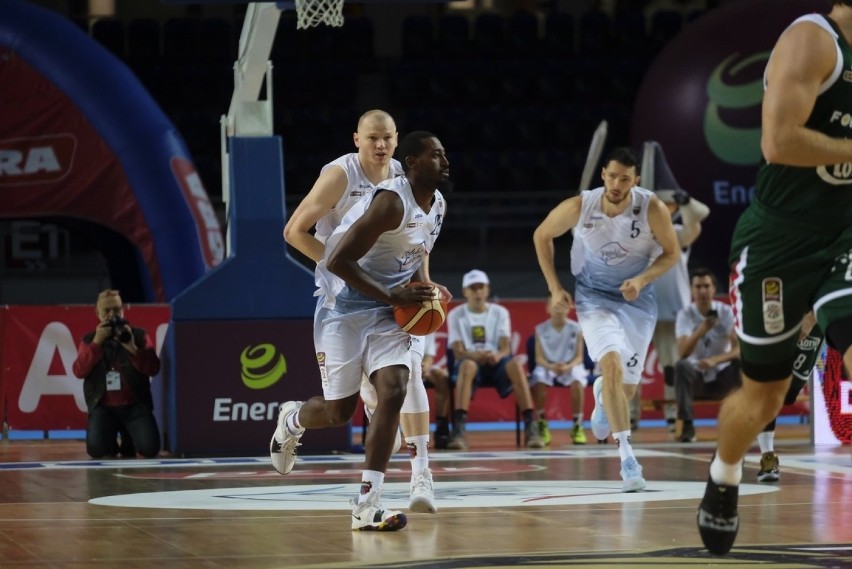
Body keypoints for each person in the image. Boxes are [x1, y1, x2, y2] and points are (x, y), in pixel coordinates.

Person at [697, 4, 852, 555]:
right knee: (765, 397)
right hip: (781, 240)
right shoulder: (815, 40)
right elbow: (779, 142)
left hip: (847, 235)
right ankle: (725, 471)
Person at [270, 131, 449, 531]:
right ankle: (293, 419)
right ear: (415, 164)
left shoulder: (437, 205)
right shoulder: (389, 201)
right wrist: (392, 294)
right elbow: (337, 260)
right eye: (437, 155)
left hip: (389, 314)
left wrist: (428, 289)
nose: (446, 162)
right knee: (338, 412)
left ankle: (366, 505)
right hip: (343, 310)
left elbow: (417, 254)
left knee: (395, 389)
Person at [533, 146, 680, 492]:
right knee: (610, 365)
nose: (617, 183)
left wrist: (642, 279)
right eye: (612, 176)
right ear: (603, 174)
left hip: (637, 301)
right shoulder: (580, 206)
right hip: (593, 298)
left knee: (625, 390)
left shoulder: (651, 208)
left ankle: (602, 395)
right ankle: (628, 458)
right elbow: (542, 235)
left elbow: (672, 253)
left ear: (636, 180)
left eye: (625, 178)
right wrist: (555, 288)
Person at [629, 141, 711, 434]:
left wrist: (685, 200)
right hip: (640, 309)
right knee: (632, 365)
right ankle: (630, 416)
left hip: (673, 312)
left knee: (673, 368)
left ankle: (674, 416)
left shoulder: (677, 233)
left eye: (668, 204)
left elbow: (700, 218)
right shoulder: (635, 235)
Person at [445, 269, 543, 450]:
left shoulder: (500, 312)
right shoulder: (455, 315)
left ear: (487, 289)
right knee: (467, 365)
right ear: (465, 291)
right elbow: (458, 351)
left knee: (515, 365)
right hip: (470, 363)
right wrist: (477, 356)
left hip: (496, 363)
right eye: (472, 288)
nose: (477, 292)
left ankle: (532, 427)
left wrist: (496, 355)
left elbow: (505, 347)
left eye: (480, 287)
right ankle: (458, 430)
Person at [71, 289, 161, 459]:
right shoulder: (89, 340)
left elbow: (153, 368)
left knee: (150, 449)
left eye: (117, 309)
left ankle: (129, 437)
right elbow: (79, 371)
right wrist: (97, 343)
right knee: (97, 451)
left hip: (135, 405)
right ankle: (110, 440)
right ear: (97, 313)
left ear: (123, 309)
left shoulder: (138, 335)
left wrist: (133, 348)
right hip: (104, 408)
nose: (113, 315)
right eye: (107, 311)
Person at [673, 268, 740, 443]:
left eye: (706, 286)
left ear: (714, 289)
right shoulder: (684, 315)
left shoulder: (727, 313)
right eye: (698, 286)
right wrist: (701, 330)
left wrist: (715, 360)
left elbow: (738, 349)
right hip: (696, 378)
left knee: (742, 363)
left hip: (721, 376)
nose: (702, 291)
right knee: (681, 365)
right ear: (692, 290)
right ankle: (687, 427)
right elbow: (682, 352)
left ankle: (741, 423)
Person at [755, 312, 823, 483]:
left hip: (816, 310)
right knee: (768, 385)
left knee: (790, 392)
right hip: (778, 310)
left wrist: (810, 318)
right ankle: (767, 455)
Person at [528, 303, 589, 445]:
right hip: (547, 365)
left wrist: (567, 366)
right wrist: (551, 366)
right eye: (555, 305)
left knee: (577, 383)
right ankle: (542, 423)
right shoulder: (540, 329)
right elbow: (539, 358)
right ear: (547, 308)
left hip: (570, 365)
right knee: (538, 380)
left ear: (569, 308)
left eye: (563, 306)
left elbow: (579, 357)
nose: (559, 309)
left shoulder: (577, 328)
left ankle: (577, 425)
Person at [422, 332, 453, 449]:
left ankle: (442, 428)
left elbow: (429, 357)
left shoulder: (426, 324)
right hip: (400, 367)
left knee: (441, 376)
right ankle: (391, 427)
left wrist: (425, 365)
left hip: (421, 367)